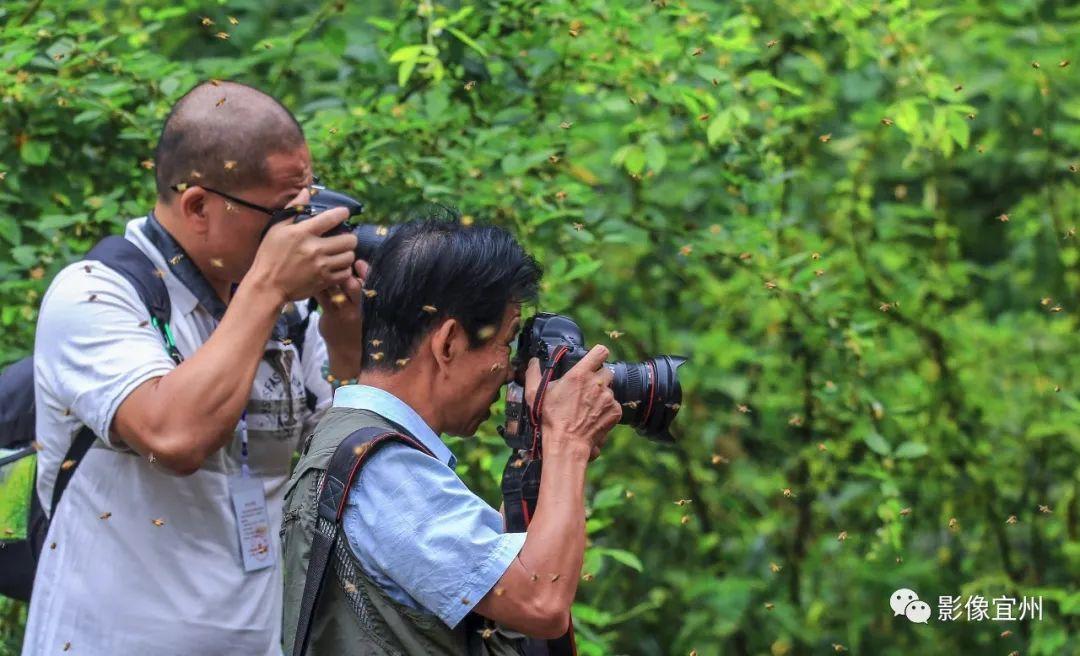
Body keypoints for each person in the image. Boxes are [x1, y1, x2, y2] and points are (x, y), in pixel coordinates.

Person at [23, 80, 367, 655]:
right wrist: (266, 287)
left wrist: (346, 339)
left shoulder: (292, 313)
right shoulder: (94, 294)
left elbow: (341, 469)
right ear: (198, 206)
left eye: (307, 205)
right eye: (283, 214)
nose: (300, 232)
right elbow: (174, 437)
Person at [281, 218, 622, 654]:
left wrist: (543, 453)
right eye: (506, 340)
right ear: (448, 344)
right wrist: (568, 443)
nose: (512, 371)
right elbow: (540, 601)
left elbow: (512, 571)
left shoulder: (355, 443)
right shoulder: (383, 473)